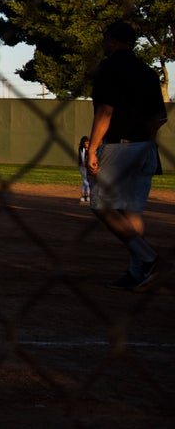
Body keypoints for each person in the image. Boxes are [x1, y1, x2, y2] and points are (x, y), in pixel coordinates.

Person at [85, 21, 169, 292]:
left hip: (119, 148)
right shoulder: (147, 72)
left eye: (105, 38)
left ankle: (147, 258)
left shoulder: (109, 68)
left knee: (101, 206)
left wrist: (93, 148)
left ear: (112, 41)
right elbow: (161, 116)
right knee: (131, 209)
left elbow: (105, 111)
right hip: (146, 147)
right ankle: (138, 272)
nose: (103, 42)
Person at [77, 135, 91, 204]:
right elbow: (82, 158)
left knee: (85, 181)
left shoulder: (90, 149)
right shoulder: (81, 149)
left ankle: (83, 196)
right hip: (82, 167)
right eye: (86, 143)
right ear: (83, 143)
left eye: (88, 143)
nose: (87, 144)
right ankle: (88, 196)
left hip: (87, 167)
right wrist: (84, 164)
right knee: (87, 181)